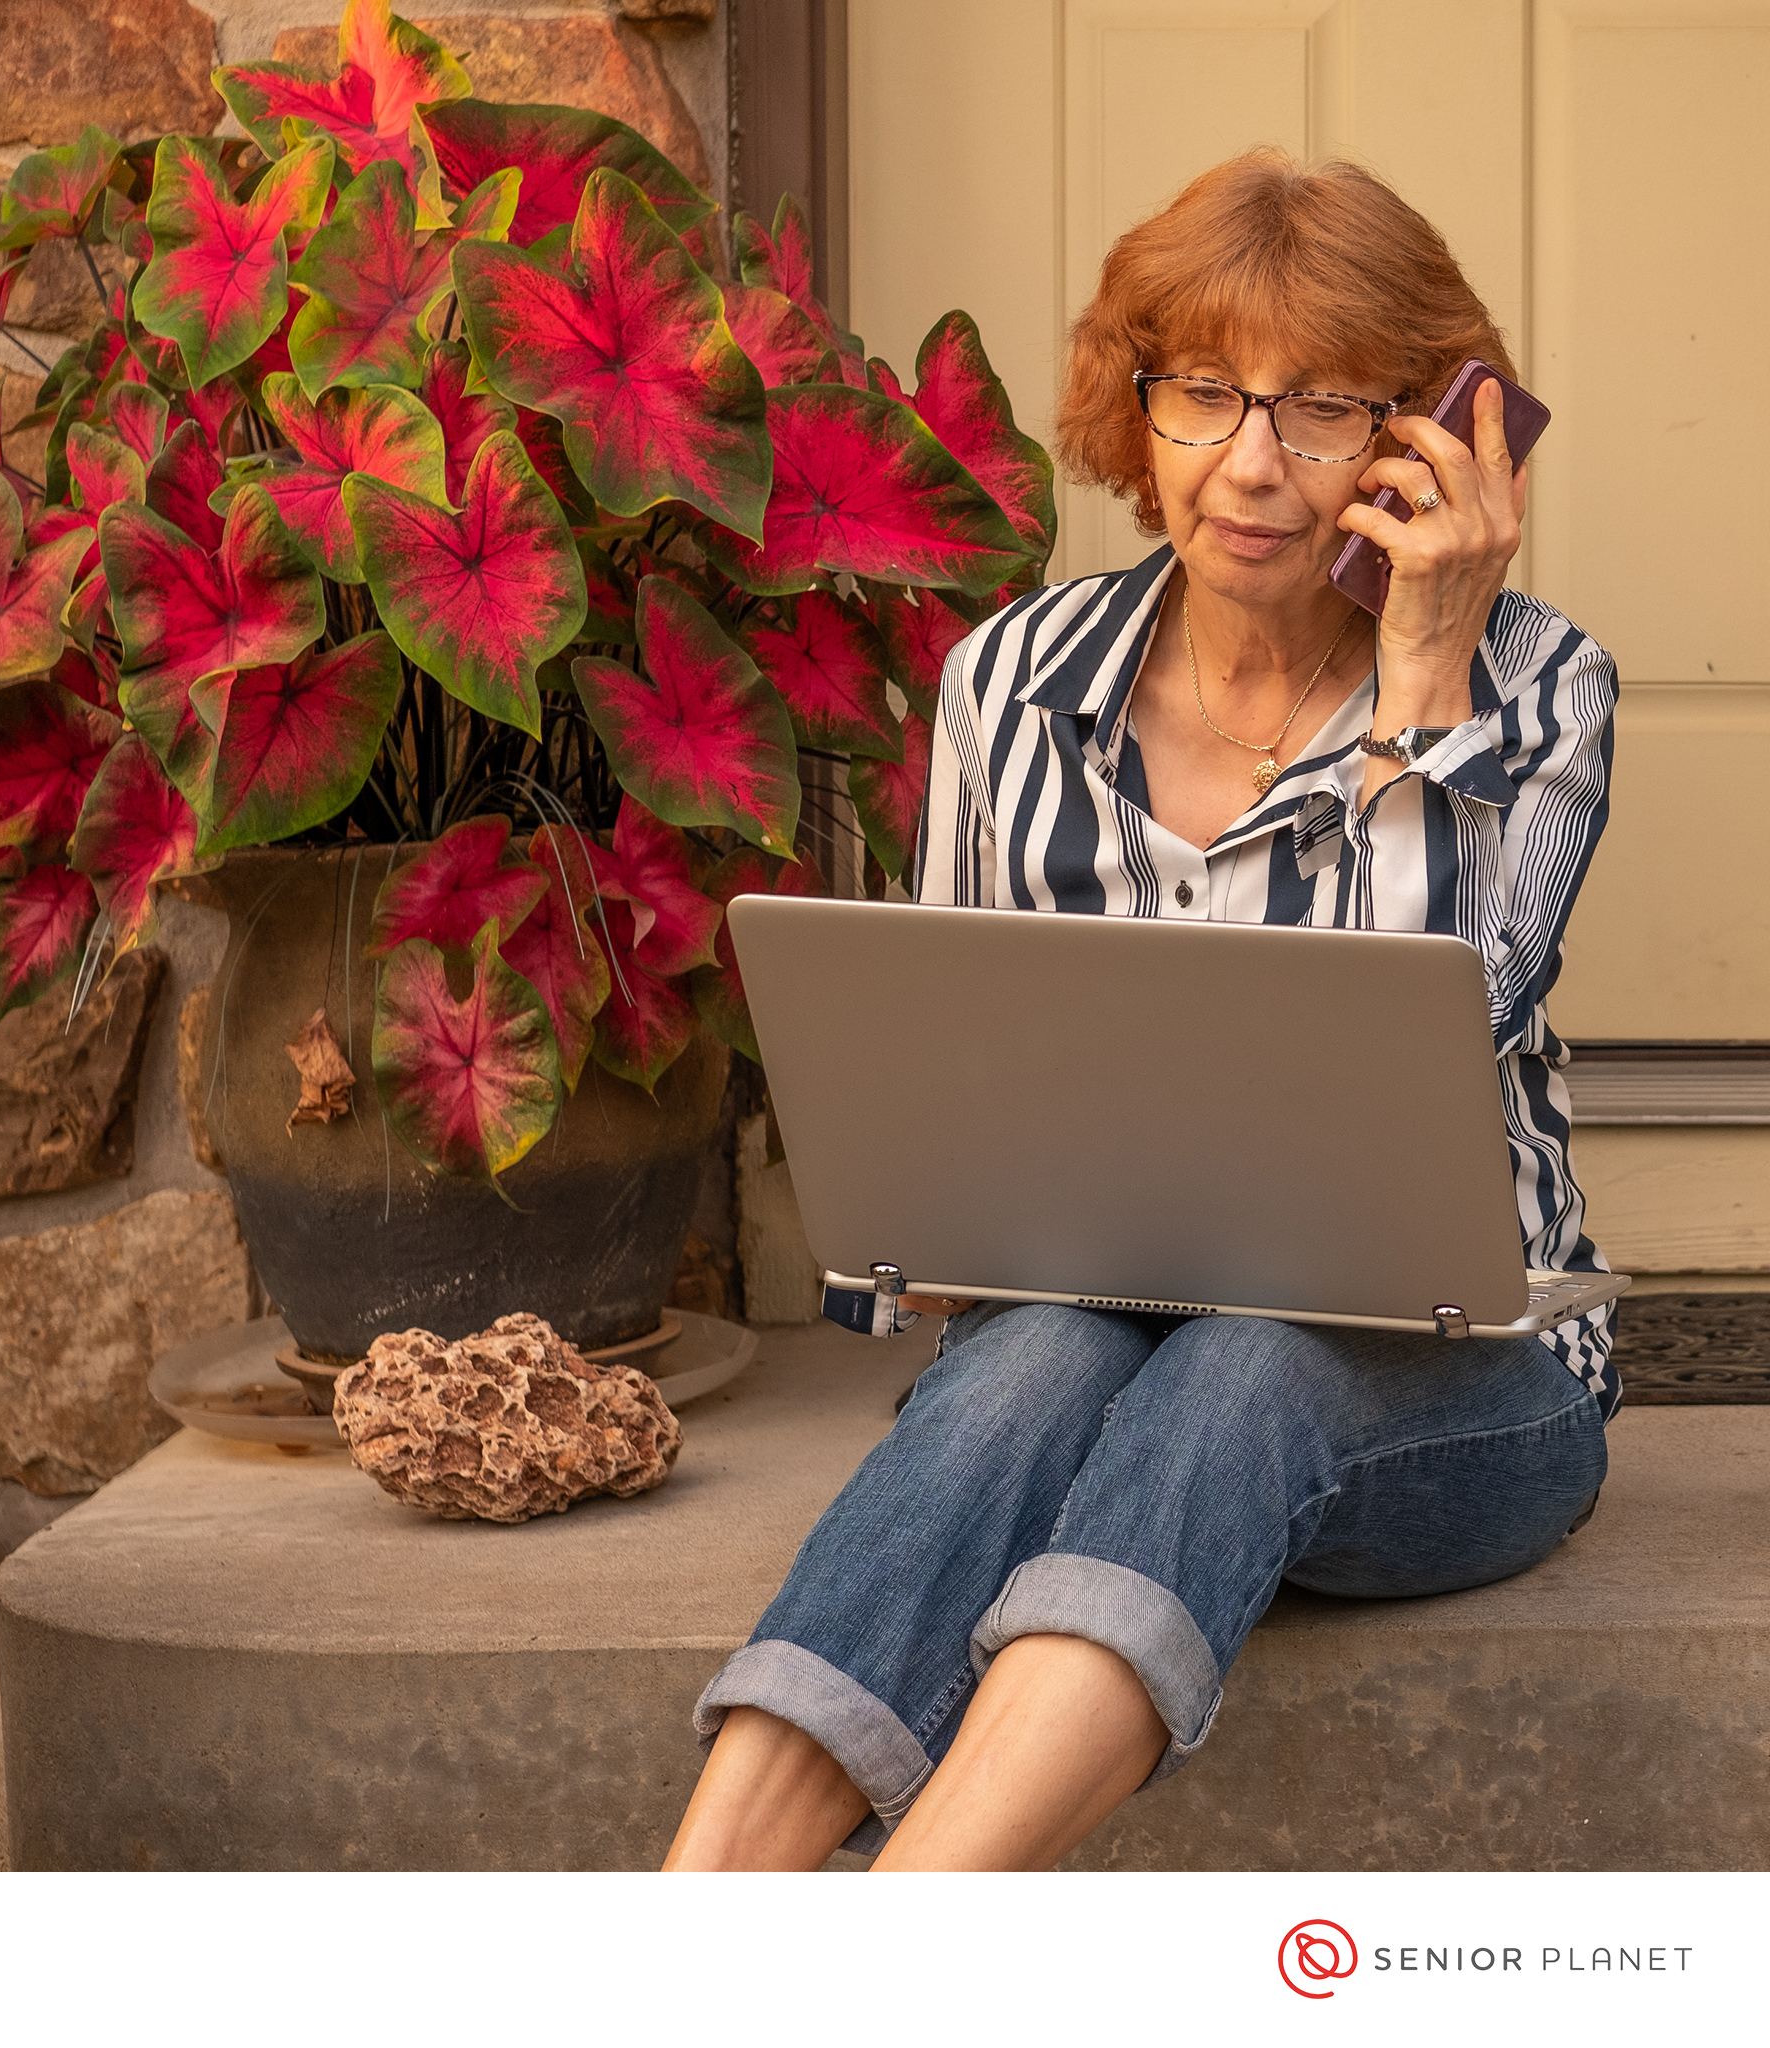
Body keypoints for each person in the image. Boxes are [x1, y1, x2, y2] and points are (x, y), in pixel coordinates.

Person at [664, 149, 1618, 1873]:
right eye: (1203, 394)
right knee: (1035, 1357)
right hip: (1080, 1353)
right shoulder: (1008, 681)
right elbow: (944, 1141)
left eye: (1324, 411)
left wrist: (1420, 677)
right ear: (1137, 402)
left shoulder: (1537, 687)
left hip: (1462, 1390)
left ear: (1429, 438)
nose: (1250, 466)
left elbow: (1438, 1031)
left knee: (1250, 1355)